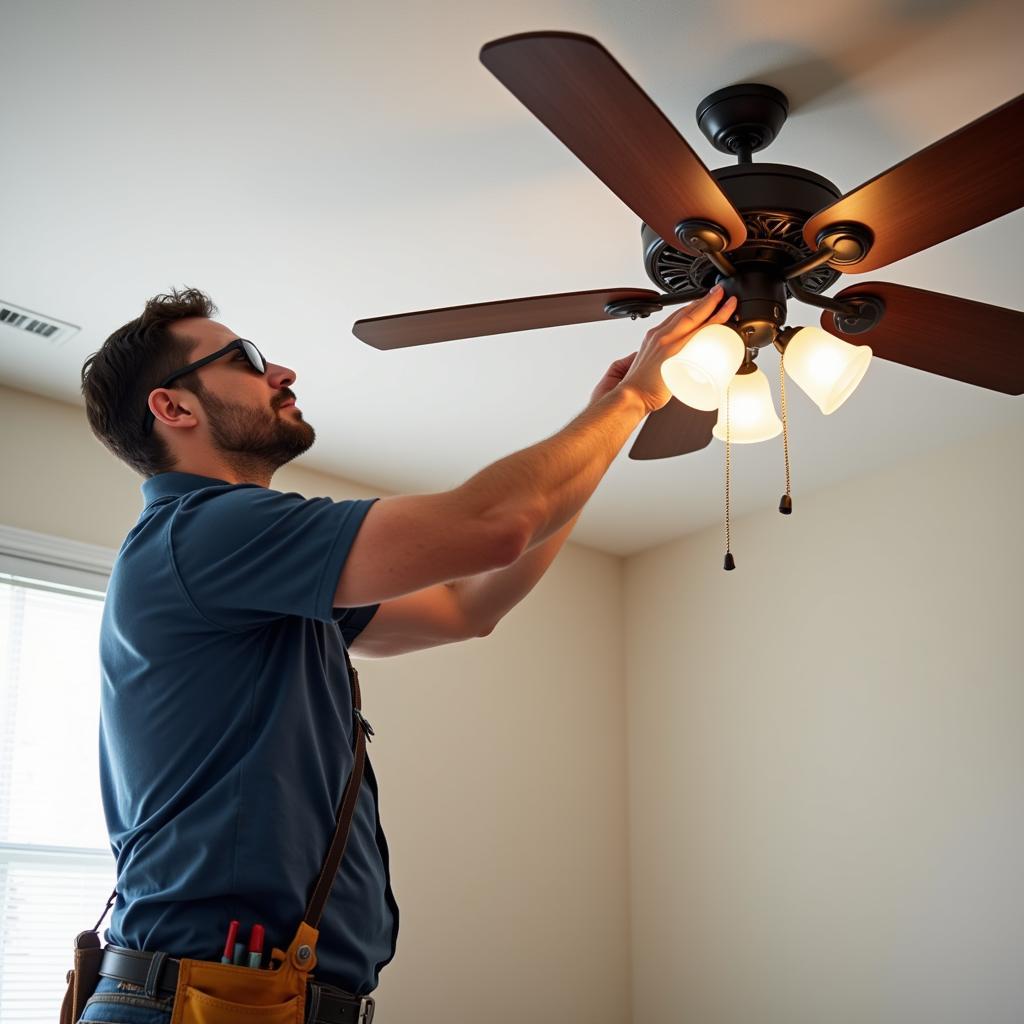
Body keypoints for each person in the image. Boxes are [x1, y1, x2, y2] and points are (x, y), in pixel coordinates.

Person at [75, 283, 735, 1023]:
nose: (282, 373)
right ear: (175, 408)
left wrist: (600, 436)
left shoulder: (251, 570)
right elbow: (492, 526)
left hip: (250, 998)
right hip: (207, 1001)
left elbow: (467, 606)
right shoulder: (203, 533)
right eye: (249, 359)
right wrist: (631, 404)